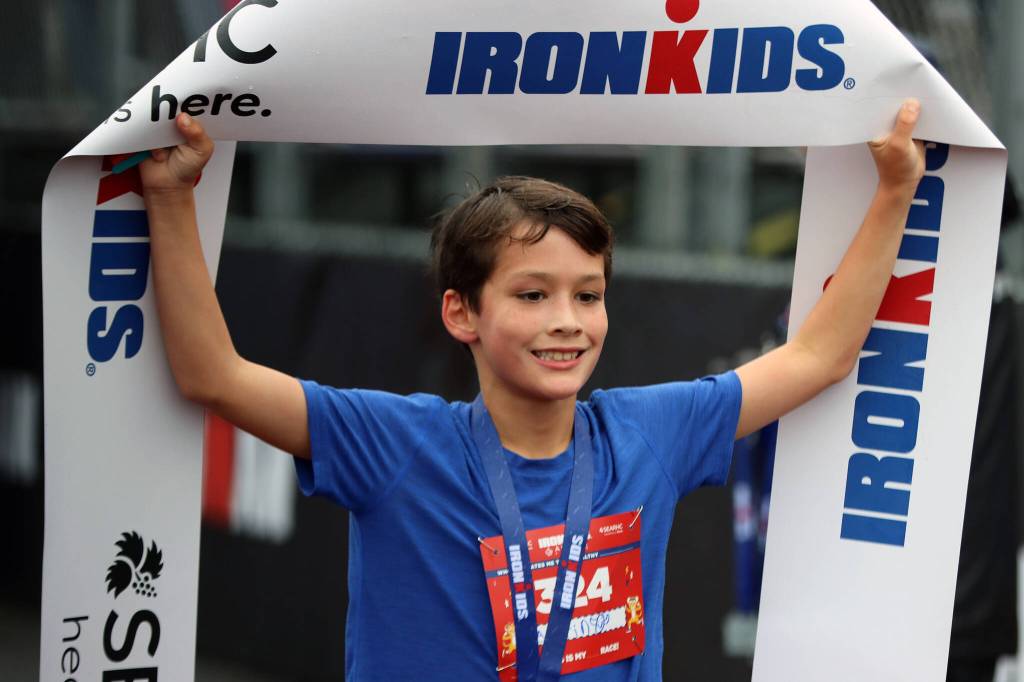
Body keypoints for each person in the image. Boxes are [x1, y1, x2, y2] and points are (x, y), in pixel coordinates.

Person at [138, 100, 925, 680]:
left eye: (588, 295)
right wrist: (171, 200)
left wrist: (894, 192)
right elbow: (214, 374)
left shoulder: (650, 433)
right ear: (462, 312)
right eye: (532, 294)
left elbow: (818, 354)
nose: (567, 322)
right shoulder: (395, 444)